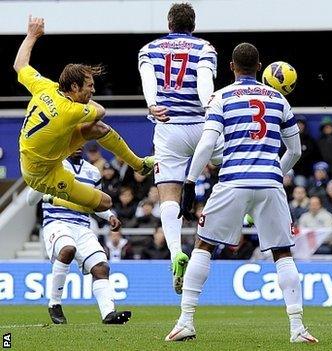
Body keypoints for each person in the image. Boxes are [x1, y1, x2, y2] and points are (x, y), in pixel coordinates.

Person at [166, 43, 317, 344]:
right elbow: (296, 150)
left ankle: (186, 321)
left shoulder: (220, 98)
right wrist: (277, 170)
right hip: (270, 184)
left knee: (203, 245)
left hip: (233, 180)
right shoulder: (278, 99)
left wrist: (190, 182)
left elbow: (208, 144)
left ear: (231, 67)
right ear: (259, 66)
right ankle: (298, 328)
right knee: (282, 252)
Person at [14, 16, 153, 216]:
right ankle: (50, 197)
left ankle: (139, 164)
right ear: (74, 87)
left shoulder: (46, 87)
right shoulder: (70, 111)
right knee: (105, 203)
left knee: (99, 129)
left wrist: (31, 35)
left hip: (47, 151)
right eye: (89, 86)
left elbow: (20, 65)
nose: (93, 91)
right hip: (42, 174)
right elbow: (101, 111)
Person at [137, 2, 221, 294]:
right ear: (193, 25)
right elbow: (204, 81)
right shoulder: (205, 48)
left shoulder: (149, 49)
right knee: (232, 162)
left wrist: (152, 105)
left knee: (168, 194)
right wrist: (209, 105)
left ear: (169, 23)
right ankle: (247, 211)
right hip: (200, 126)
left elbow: (149, 79)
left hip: (169, 127)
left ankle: (175, 252)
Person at [26, 148, 131, 325]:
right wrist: (43, 178)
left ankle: (108, 314)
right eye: (74, 142)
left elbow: (95, 202)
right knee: (68, 249)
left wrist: (110, 216)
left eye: (81, 142)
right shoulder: (53, 166)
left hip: (82, 226)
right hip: (56, 222)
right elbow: (30, 200)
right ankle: (55, 304)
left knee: (101, 267)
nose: (79, 146)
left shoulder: (92, 171)